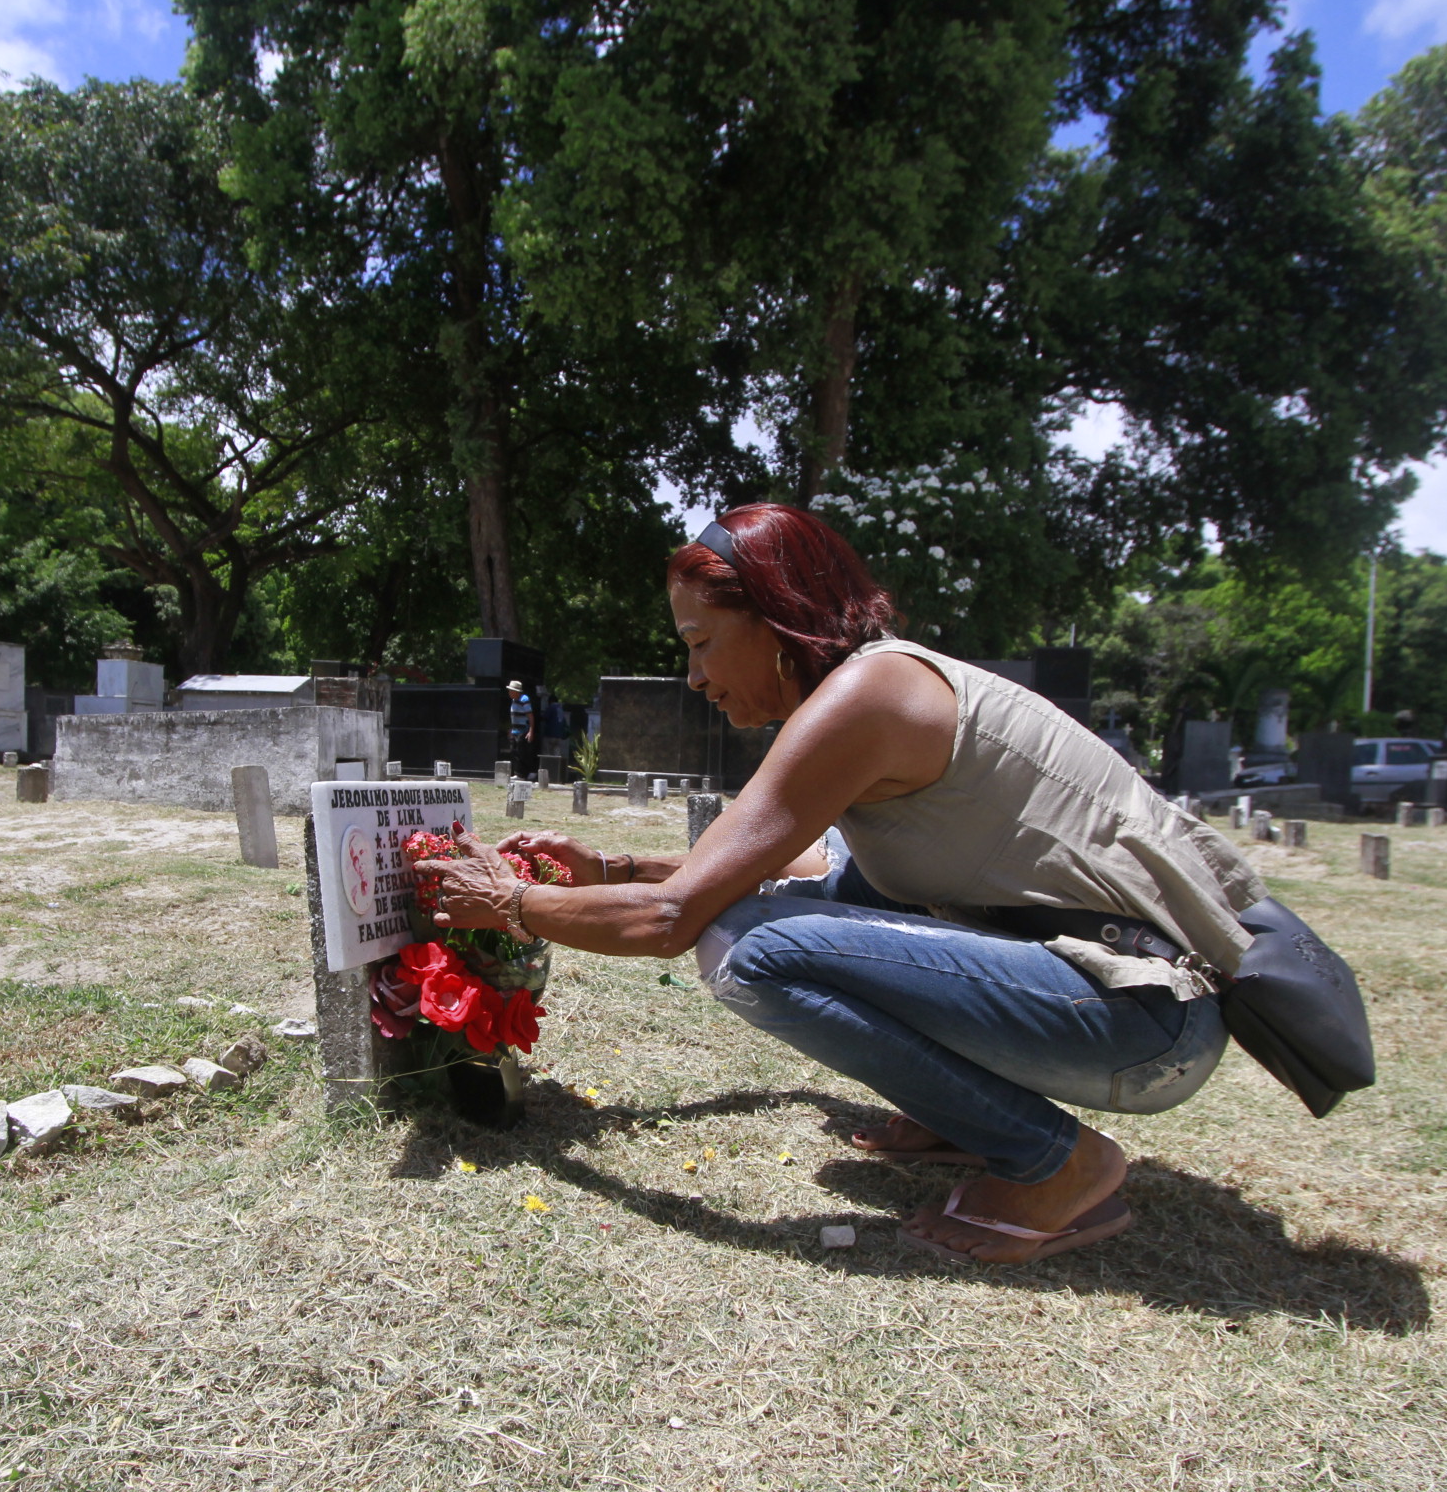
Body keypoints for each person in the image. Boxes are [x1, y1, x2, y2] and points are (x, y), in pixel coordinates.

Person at [415, 503, 1268, 1266]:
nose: (695, 677)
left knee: (749, 949)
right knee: (822, 902)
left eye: (702, 643)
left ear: (776, 618)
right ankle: (965, 1115)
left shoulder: (870, 695)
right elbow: (822, 875)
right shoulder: (881, 680)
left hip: (1146, 1020)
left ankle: (1061, 1166)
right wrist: (618, 870)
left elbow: (673, 921)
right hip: (1126, 1007)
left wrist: (511, 904)